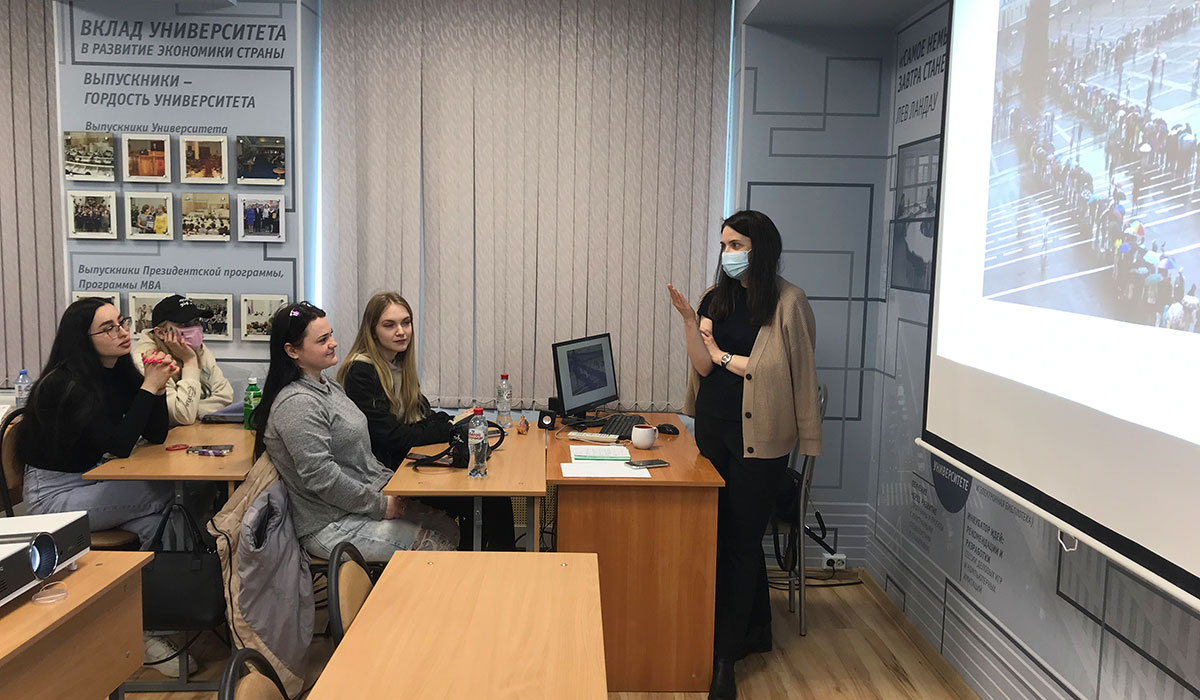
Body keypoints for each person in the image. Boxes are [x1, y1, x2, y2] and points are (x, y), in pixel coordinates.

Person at [667, 210, 821, 700]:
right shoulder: (715, 298)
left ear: (761, 248)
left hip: (763, 442)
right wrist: (691, 324)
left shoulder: (789, 303)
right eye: (723, 245)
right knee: (720, 537)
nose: (727, 254)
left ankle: (723, 661)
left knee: (739, 542)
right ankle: (751, 631)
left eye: (736, 245)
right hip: (713, 433)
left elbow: (790, 373)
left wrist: (724, 356)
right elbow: (702, 367)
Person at [254, 301, 459, 560]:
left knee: (449, 528)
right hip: (329, 523)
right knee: (440, 544)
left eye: (331, 335)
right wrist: (380, 505)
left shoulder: (328, 386)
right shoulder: (297, 404)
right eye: (322, 340)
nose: (334, 343)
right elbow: (322, 478)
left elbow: (361, 459)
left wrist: (389, 489)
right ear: (292, 350)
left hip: (359, 505)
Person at [338, 292, 517, 551]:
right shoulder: (361, 371)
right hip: (389, 475)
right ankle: (481, 563)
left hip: (407, 464)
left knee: (492, 494)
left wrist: (452, 422)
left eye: (406, 323)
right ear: (372, 331)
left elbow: (423, 414)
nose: (401, 332)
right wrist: (446, 429)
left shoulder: (397, 363)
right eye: (389, 325)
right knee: (485, 499)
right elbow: (392, 436)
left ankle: (490, 563)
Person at [133, 295, 233, 426]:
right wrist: (190, 360)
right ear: (160, 333)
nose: (195, 329)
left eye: (196, 322)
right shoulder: (147, 359)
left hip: (194, 431)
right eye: (184, 325)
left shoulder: (200, 350)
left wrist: (192, 409)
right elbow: (182, 415)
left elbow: (226, 396)